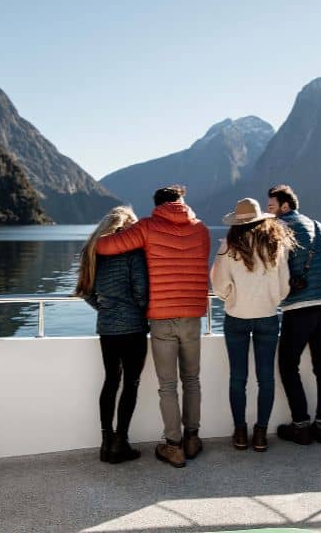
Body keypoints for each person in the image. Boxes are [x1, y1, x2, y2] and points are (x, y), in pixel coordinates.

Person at [96, 185, 210, 468]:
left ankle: (174, 447)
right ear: (182, 201)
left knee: (168, 385)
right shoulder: (201, 230)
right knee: (192, 380)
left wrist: (118, 232)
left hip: (161, 318)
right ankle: (192, 439)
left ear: (157, 205)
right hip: (192, 316)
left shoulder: (147, 227)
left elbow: (104, 246)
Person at [210, 198, 294, 452]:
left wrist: (233, 298)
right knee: (265, 378)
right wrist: (269, 300)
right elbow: (284, 287)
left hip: (236, 317)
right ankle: (260, 434)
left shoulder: (228, 246)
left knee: (238, 378)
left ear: (237, 222)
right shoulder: (276, 245)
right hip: (268, 316)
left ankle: (240, 433)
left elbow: (219, 286)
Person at [267, 184, 321, 445]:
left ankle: (301, 426)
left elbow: (277, 268)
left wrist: (286, 293)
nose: (269, 212)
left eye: (271, 206)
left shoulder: (279, 227)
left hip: (300, 307)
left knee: (287, 364)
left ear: (285, 206)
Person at [75, 206, 149, 464]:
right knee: (130, 384)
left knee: (111, 381)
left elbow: (85, 292)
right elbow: (141, 293)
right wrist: (139, 311)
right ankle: (121, 443)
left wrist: (106, 309)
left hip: (107, 329)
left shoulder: (93, 251)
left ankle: (106, 443)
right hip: (133, 329)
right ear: (127, 227)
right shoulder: (133, 254)